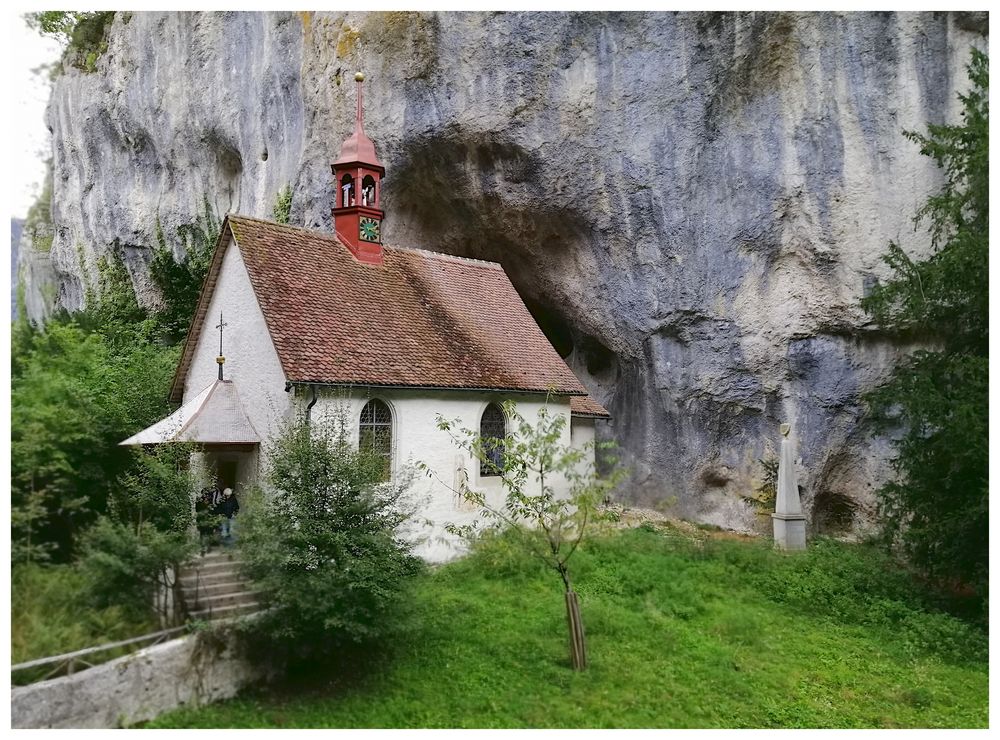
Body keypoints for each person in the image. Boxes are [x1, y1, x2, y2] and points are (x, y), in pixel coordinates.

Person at [195, 489, 220, 554]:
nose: (205, 495)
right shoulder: (199, 501)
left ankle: (209, 547)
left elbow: (213, 511)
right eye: (204, 493)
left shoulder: (211, 501)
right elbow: (197, 510)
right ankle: (202, 548)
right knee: (202, 535)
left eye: (206, 494)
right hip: (202, 521)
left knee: (209, 534)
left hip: (209, 520)